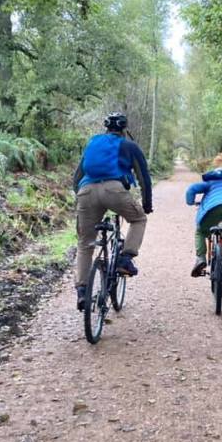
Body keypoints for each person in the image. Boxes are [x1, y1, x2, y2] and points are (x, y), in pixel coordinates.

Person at [73, 112, 153, 310]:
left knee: (85, 243)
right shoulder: (129, 146)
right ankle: (125, 259)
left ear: (106, 128)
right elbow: (144, 177)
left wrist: (81, 197)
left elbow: (77, 176)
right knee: (138, 219)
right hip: (114, 190)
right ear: (124, 130)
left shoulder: (93, 143)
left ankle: (82, 290)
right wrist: (147, 203)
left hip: (86, 191)